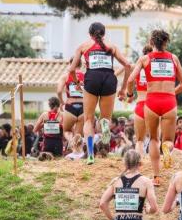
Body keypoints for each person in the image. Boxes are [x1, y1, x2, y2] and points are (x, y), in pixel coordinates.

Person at [128, 29, 182, 185]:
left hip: (151, 101)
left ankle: (156, 177)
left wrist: (129, 94)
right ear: (166, 42)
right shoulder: (173, 58)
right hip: (169, 101)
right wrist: (171, 93)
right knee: (167, 140)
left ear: (151, 42)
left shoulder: (145, 59)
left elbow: (130, 80)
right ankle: (167, 148)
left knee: (154, 139)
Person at [68, 22, 131, 164]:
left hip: (92, 78)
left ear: (90, 34)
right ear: (104, 34)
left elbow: (71, 70)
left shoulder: (83, 46)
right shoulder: (112, 47)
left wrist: (78, 84)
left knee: (89, 120)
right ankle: (104, 126)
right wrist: (123, 88)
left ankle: (90, 154)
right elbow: (127, 65)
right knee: (105, 118)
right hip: (109, 79)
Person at [130, 44, 152, 155]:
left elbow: (126, 67)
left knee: (139, 140)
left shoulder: (137, 66)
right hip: (153, 104)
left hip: (140, 104)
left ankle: (138, 163)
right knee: (154, 139)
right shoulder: (155, 67)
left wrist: (128, 94)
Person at [57, 67, 85, 142]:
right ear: (81, 64)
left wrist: (62, 102)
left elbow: (59, 91)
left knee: (66, 131)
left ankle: (71, 142)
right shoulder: (86, 76)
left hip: (70, 105)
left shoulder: (66, 76)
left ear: (71, 64)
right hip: (83, 106)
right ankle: (76, 149)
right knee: (78, 134)